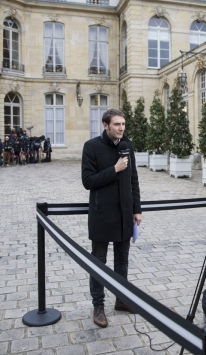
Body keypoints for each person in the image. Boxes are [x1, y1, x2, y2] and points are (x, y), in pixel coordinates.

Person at [81, 109, 142, 328]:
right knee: (98, 262)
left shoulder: (127, 146)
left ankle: (121, 299)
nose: (121, 128)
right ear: (105, 125)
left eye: (123, 124)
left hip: (125, 214)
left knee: (122, 260)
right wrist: (114, 169)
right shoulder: (91, 147)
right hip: (101, 214)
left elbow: (133, 179)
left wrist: (137, 209)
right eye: (117, 124)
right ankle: (98, 306)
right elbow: (88, 181)